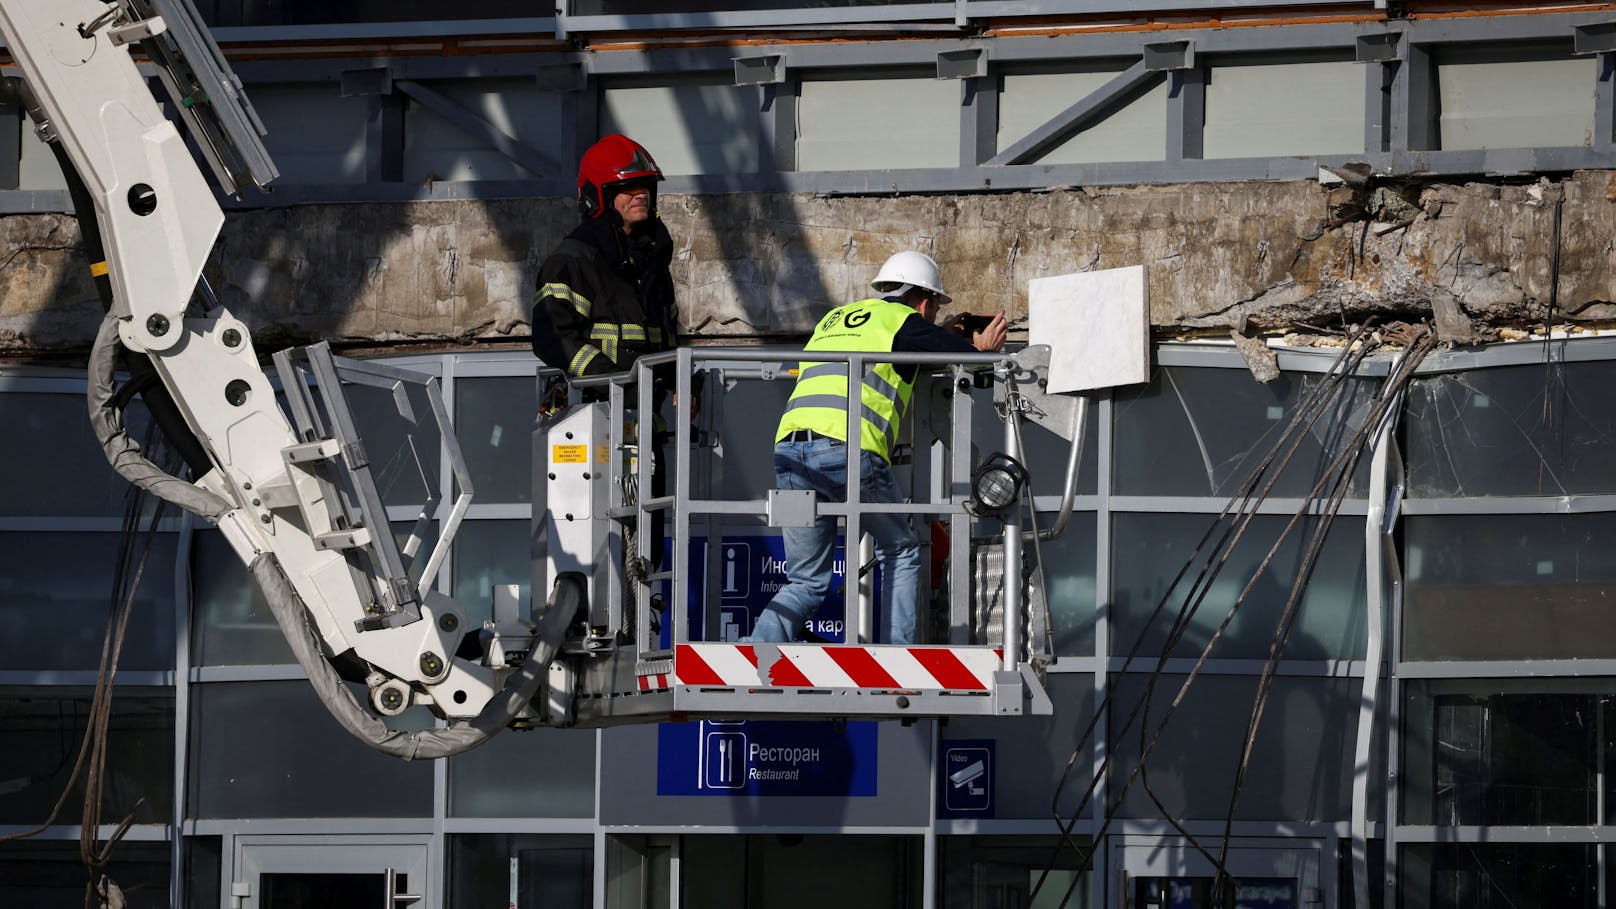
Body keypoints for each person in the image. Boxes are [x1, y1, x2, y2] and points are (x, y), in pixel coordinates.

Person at [746, 251, 1008, 646]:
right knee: (900, 551)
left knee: (805, 581)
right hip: (846, 451)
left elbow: (892, 352)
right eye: (934, 308)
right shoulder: (905, 321)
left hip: (790, 451)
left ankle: (756, 650)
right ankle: (899, 654)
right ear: (923, 301)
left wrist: (941, 337)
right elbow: (970, 364)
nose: (933, 317)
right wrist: (982, 352)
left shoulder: (835, 319)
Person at [531, 134, 678, 571]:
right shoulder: (572, 261)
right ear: (600, 197)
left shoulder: (653, 267)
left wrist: (684, 386)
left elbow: (668, 341)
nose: (641, 196)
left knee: (645, 549)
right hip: (593, 429)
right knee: (595, 546)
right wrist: (614, 382)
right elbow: (552, 336)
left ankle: (643, 619)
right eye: (628, 189)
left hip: (644, 433)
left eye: (646, 187)